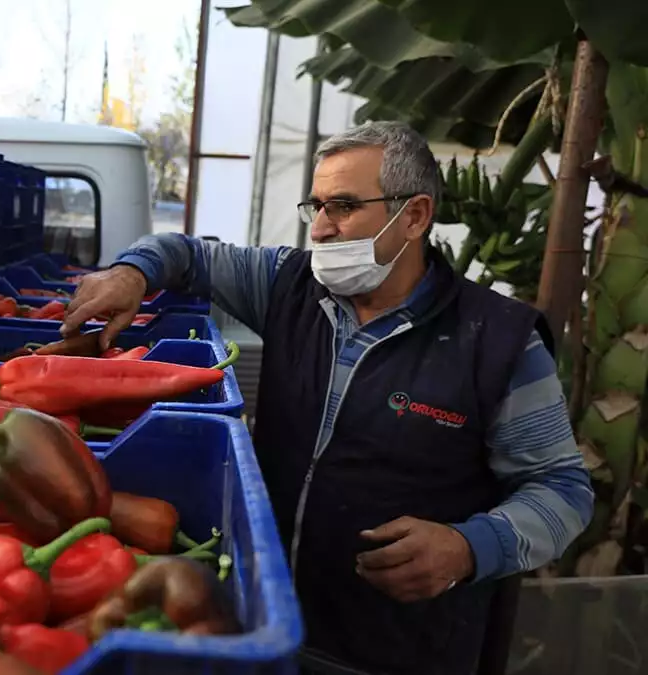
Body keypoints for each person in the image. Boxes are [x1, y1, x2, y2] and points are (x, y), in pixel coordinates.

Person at [60, 121, 594, 675]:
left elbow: (562, 491)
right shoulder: (288, 285)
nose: (319, 229)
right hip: (266, 621)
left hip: (398, 650)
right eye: (314, 206)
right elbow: (185, 254)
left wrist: (469, 547)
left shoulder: (499, 341)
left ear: (414, 216)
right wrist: (132, 272)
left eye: (342, 206)